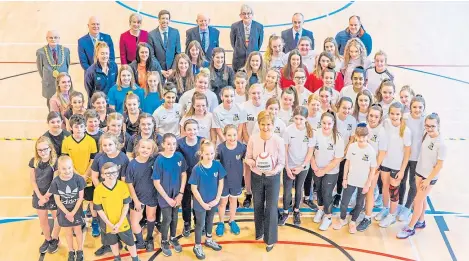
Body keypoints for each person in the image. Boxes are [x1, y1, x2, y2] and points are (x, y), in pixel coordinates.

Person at [397, 113, 446, 239]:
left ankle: (410, 227)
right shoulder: (426, 135)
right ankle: (421, 221)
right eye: (427, 126)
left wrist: (428, 180)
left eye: (432, 126)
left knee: (417, 201)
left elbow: (439, 166)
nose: (429, 129)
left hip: (428, 178)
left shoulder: (441, 144)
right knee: (422, 200)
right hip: (419, 172)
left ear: (438, 125)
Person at [245, 111, 285, 251]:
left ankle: (270, 239)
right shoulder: (253, 138)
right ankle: (259, 231)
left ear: (273, 125)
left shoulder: (278, 141)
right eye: (263, 124)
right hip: (257, 176)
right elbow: (247, 157)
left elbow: (281, 162)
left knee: (271, 207)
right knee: (257, 205)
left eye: (268, 124)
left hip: (272, 178)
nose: (265, 127)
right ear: (258, 124)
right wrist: (254, 163)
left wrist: (274, 171)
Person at [333, 123, 377, 234]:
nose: (361, 139)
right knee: (344, 202)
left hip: (363, 183)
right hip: (351, 180)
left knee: (359, 203)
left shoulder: (371, 151)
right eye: (359, 136)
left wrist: (368, 184)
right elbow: (347, 163)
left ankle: (353, 221)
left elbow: (372, 170)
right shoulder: (352, 147)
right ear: (356, 136)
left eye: (364, 137)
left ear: (367, 137)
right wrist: (344, 179)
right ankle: (342, 219)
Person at [94, 162, 141, 261]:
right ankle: (117, 257)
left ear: (117, 173)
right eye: (107, 173)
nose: (111, 175)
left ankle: (135, 258)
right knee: (113, 242)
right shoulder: (98, 190)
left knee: (130, 242)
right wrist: (110, 224)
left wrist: (119, 223)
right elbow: (99, 210)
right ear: (102, 175)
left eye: (113, 172)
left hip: (122, 222)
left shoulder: (122, 186)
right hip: (108, 224)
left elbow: (126, 205)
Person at [375, 102, 411, 228]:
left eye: (397, 114)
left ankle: (392, 214)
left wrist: (402, 170)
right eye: (392, 113)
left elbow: (407, 153)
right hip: (385, 162)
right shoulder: (386, 123)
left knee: (393, 190)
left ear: (401, 115)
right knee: (384, 187)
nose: (394, 116)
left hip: (396, 165)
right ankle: (385, 208)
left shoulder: (405, 130)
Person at [189, 141, 225, 259]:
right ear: (201, 154)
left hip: (213, 201)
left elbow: (221, 182)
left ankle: (209, 240)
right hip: (201, 204)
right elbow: (194, 189)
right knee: (200, 224)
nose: (210, 156)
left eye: (212, 153)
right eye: (207, 154)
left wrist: (217, 199)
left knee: (210, 221)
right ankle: (197, 245)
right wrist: (203, 204)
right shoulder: (197, 169)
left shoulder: (217, 165)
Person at [153, 133, 187, 257]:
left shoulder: (179, 157)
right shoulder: (159, 160)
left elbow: (184, 174)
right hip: (165, 196)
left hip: (177, 194)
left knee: (174, 217)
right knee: (167, 218)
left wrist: (180, 194)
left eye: (174, 144)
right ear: (163, 145)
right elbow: (156, 182)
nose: (171, 146)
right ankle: (164, 240)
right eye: (168, 144)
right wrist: (167, 199)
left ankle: (173, 237)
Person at [279, 106, 314, 226]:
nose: (298, 121)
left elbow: (310, 152)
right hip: (289, 166)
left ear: (306, 119)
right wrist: (287, 167)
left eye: (301, 119)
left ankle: (296, 210)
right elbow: (285, 150)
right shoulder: (288, 131)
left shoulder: (310, 132)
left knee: (299, 189)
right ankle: (285, 211)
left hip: (303, 167)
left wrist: (302, 166)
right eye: (296, 118)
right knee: (287, 190)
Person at [356, 104, 388, 232]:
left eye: (376, 117)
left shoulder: (381, 132)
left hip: (373, 168)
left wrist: (374, 169)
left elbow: (382, 153)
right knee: (361, 189)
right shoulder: (363, 126)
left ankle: (368, 217)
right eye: (371, 115)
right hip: (361, 165)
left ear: (380, 118)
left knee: (370, 191)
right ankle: (360, 209)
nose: (373, 119)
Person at [311, 112, 345, 231]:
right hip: (317, 169)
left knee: (327, 193)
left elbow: (337, 159)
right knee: (319, 190)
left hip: (330, 171)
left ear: (333, 124)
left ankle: (328, 217)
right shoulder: (315, 133)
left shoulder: (338, 138)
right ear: (320, 122)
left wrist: (323, 171)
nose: (326, 126)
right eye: (324, 123)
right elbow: (310, 152)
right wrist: (314, 166)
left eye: (329, 123)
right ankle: (320, 210)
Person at [49, 156, 86, 261]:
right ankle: (71, 250)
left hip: (76, 211)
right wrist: (67, 213)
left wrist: (73, 213)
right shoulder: (56, 182)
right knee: (68, 232)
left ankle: (80, 250)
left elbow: (80, 197)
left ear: (72, 167)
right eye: (64, 168)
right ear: (59, 169)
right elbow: (57, 200)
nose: (67, 171)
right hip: (64, 212)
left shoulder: (78, 179)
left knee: (78, 231)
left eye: (69, 168)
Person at [126, 138, 158, 252]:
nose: (145, 150)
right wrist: (136, 200)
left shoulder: (154, 161)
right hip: (137, 197)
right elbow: (129, 183)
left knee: (150, 217)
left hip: (152, 196)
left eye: (148, 148)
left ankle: (149, 238)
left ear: (152, 150)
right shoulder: (132, 164)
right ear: (137, 148)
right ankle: (140, 242)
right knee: (134, 222)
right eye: (143, 147)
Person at [30, 136, 60, 254]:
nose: (42, 152)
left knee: (57, 219)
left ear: (50, 148)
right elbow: (33, 180)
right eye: (39, 150)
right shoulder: (33, 162)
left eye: (45, 149)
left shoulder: (55, 162)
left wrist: (46, 196)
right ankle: (47, 239)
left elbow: (55, 182)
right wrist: (40, 197)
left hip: (52, 195)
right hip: (39, 195)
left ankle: (55, 239)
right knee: (43, 221)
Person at [215, 124, 246, 237]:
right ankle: (221, 222)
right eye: (229, 135)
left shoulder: (242, 147)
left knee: (233, 202)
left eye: (234, 135)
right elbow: (216, 166)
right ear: (224, 135)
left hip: (236, 180)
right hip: (223, 182)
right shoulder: (220, 148)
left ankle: (232, 221)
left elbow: (246, 161)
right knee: (223, 203)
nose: (232, 138)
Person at [398, 95, 426, 221]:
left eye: (420, 107)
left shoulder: (425, 121)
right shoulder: (405, 118)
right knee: (401, 181)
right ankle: (399, 204)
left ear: (424, 108)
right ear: (410, 107)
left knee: (413, 184)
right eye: (414, 107)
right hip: (404, 156)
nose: (417, 109)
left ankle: (407, 207)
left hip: (416, 158)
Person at [177, 120, 203, 237]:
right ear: (184, 130)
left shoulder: (203, 141)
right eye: (189, 129)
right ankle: (187, 223)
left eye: (194, 129)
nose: (192, 132)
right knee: (186, 203)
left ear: (198, 129)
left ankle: (199, 223)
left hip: (200, 179)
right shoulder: (179, 143)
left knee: (198, 202)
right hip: (185, 179)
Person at [333, 97, 357, 208]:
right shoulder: (333, 118)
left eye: (349, 108)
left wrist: (344, 153)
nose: (346, 111)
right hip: (332, 152)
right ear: (338, 106)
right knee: (331, 174)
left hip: (344, 153)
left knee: (341, 175)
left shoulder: (352, 120)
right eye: (344, 108)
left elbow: (352, 139)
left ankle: (338, 194)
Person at [36, 30, 70, 108]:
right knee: (51, 105)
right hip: (49, 84)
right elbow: (40, 70)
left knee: (65, 103)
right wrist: (47, 78)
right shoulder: (41, 52)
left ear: (59, 39)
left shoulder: (65, 51)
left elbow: (67, 66)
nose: (53, 39)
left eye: (55, 37)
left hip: (63, 83)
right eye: (51, 38)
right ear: (47, 39)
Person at [148, 10, 181, 79]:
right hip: (158, 72)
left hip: (172, 72)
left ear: (169, 20)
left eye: (167, 19)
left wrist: (173, 69)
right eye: (163, 18)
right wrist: (160, 70)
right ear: (159, 20)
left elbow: (178, 53)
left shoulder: (175, 32)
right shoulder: (151, 35)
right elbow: (151, 55)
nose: (165, 21)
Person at [230, 4, 264, 71]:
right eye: (244, 13)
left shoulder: (259, 27)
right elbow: (233, 42)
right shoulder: (234, 26)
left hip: (253, 61)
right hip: (238, 61)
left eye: (248, 13)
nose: (246, 16)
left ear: (252, 15)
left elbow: (259, 43)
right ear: (240, 15)